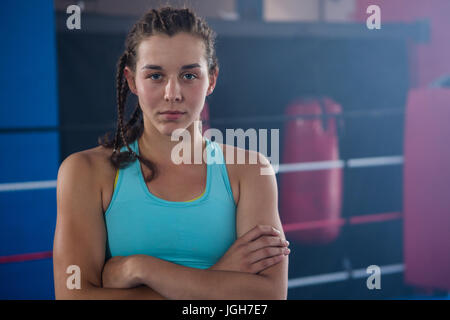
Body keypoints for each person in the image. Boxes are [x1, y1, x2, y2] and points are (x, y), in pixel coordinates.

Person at [53, 6, 290, 300]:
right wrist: (217, 278)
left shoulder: (251, 170)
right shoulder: (85, 171)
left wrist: (140, 268)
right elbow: (73, 296)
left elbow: (268, 298)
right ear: (131, 80)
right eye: (155, 76)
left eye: (189, 75)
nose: (172, 93)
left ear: (212, 79)